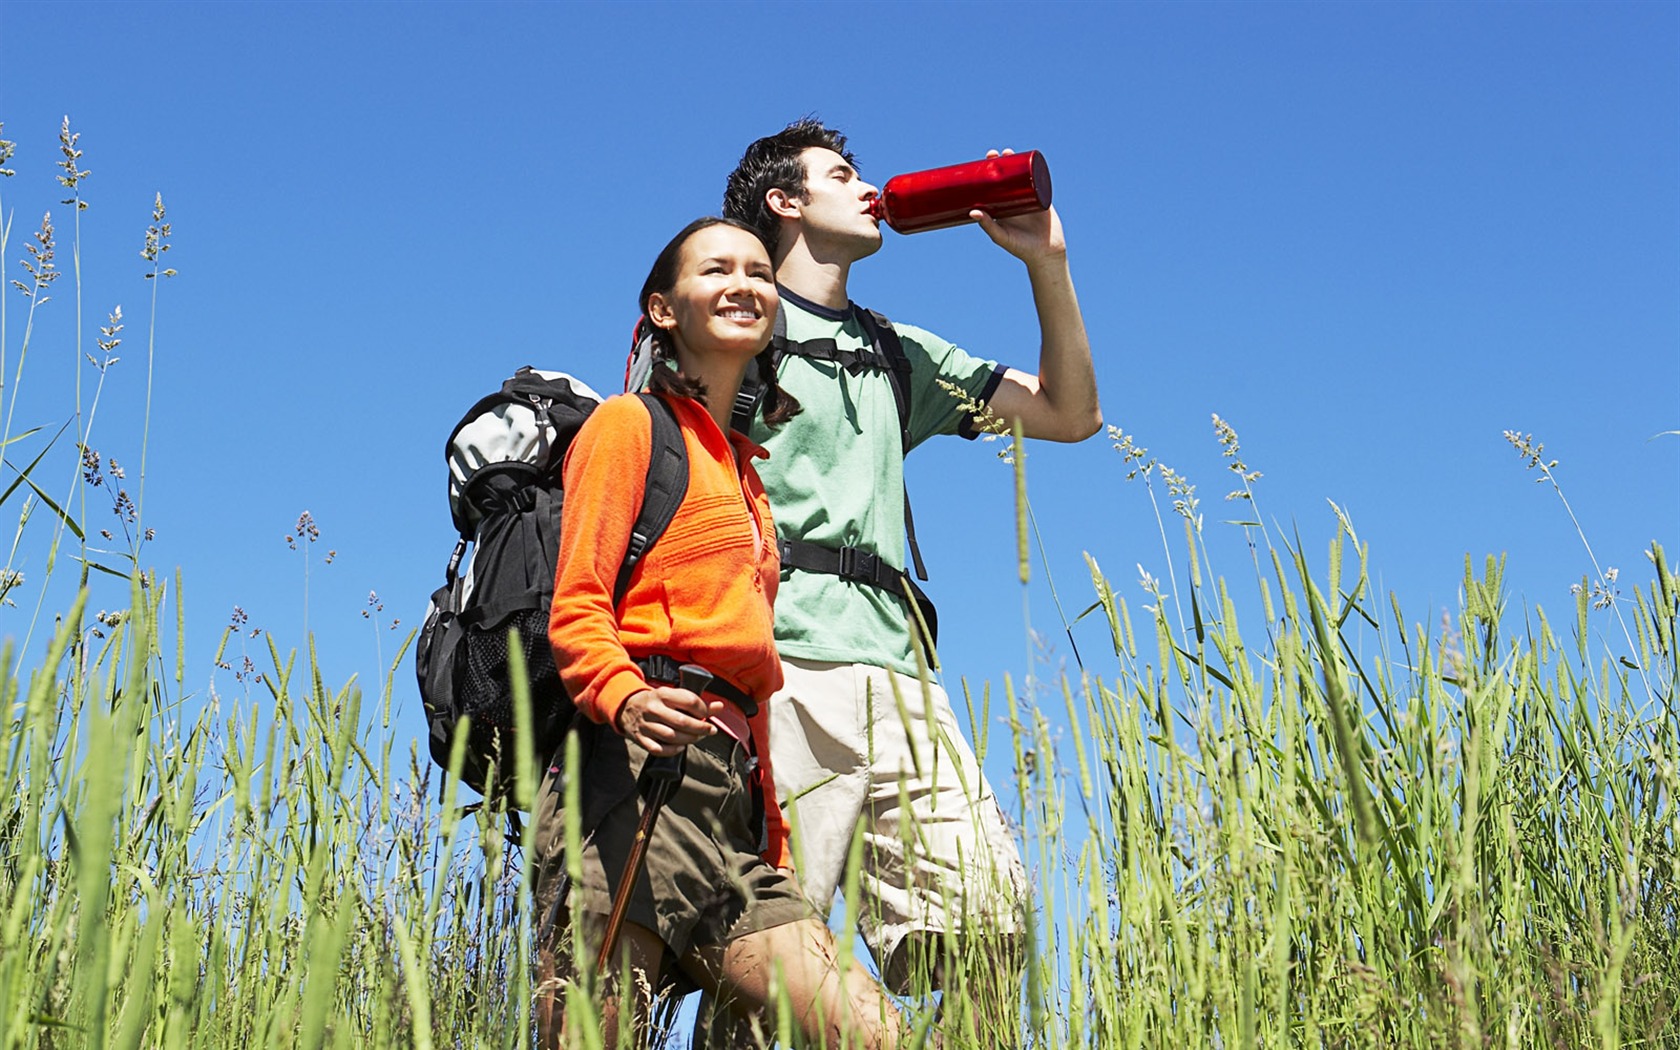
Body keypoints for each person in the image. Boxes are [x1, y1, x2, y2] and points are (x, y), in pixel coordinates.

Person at [699, 120, 1101, 1044]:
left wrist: (1046, 262)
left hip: (902, 676)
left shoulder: (894, 350)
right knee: (768, 967)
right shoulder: (734, 318)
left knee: (989, 932)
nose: (868, 186)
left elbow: (1071, 414)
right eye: (843, 174)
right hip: (775, 666)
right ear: (784, 202)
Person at [534, 217, 913, 1049]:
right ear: (665, 310)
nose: (745, 283)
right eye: (716, 270)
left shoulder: (747, 475)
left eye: (757, 270)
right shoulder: (630, 427)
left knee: (875, 1032)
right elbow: (578, 602)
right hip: (630, 779)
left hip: (729, 808)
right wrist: (622, 696)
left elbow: (751, 674)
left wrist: (768, 825)